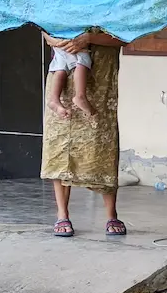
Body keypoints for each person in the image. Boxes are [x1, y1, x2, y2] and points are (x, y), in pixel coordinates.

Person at [42, 30, 126, 237]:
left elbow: (124, 36)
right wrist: (54, 40)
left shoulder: (115, 4)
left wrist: (88, 39)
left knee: (102, 144)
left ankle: (111, 214)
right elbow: (43, 27)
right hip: (62, 80)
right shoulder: (62, 0)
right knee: (60, 144)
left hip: (100, 81)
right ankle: (62, 215)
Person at [46, 46, 94, 122]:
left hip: (57, 40)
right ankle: (80, 95)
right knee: (83, 60)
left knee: (61, 67)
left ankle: (54, 99)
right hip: (70, 39)